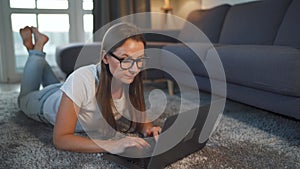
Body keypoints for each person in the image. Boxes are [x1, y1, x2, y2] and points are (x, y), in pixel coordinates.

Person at [18, 23, 161, 154]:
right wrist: (112, 145)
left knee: (68, 86)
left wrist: (149, 130)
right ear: (105, 58)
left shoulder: (128, 79)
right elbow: (61, 139)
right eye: (125, 59)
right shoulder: (82, 79)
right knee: (24, 97)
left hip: (70, 91)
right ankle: (36, 49)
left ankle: (36, 51)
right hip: (44, 101)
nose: (134, 69)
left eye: (139, 59)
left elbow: (142, 120)